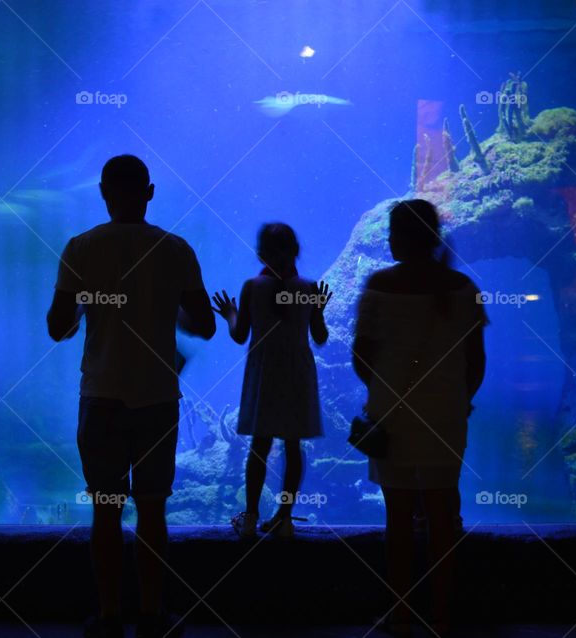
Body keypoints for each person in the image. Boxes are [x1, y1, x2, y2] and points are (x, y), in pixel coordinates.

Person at [47, 154, 215, 638]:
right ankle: (152, 612)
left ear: (103, 192)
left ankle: (108, 615)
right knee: (154, 509)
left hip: (100, 397)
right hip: (158, 400)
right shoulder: (176, 249)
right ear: (150, 191)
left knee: (106, 508)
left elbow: (58, 328)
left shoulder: (81, 248)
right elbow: (203, 325)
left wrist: (83, 306)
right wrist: (166, 310)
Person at [352, 199, 486, 637]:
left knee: (399, 518)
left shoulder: (378, 286)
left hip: (392, 415)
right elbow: (476, 361)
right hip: (446, 414)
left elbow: (361, 358)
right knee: (443, 515)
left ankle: (402, 611)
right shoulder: (462, 289)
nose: (388, 240)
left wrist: (386, 391)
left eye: (392, 232)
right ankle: (443, 614)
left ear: (401, 237)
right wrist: (457, 398)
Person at [211, 223, 329, 538]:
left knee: (259, 446)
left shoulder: (252, 287)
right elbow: (320, 337)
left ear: (260, 253)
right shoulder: (309, 288)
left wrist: (230, 314)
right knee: (293, 445)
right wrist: (318, 309)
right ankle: (284, 516)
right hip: (297, 373)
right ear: (296, 251)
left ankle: (250, 516)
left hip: (265, 372)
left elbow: (239, 336)